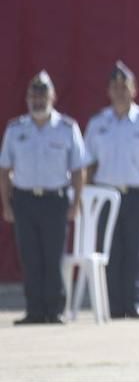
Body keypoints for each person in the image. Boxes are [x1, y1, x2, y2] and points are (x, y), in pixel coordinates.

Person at [0, 71, 86, 325]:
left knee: (53, 255)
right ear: (27, 98)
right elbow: (4, 170)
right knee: (30, 256)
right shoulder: (16, 129)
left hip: (55, 199)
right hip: (25, 200)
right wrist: (6, 204)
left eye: (43, 95)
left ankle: (55, 309)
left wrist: (77, 202)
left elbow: (79, 169)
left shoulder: (67, 128)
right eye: (34, 96)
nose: (38, 100)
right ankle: (34, 310)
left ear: (53, 97)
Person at [84, 61, 139, 320]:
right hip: (106, 194)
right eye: (115, 87)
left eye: (125, 87)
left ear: (135, 90)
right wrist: (86, 195)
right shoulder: (98, 123)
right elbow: (88, 162)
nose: (120, 92)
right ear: (108, 91)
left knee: (136, 248)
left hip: (136, 193)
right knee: (110, 249)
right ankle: (112, 304)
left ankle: (135, 302)